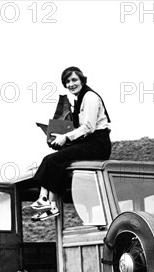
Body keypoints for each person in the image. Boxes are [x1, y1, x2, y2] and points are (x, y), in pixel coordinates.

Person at [31, 66, 112, 221]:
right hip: (89, 142)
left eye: (74, 80)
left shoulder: (90, 97)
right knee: (53, 158)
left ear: (82, 80)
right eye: (67, 81)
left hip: (98, 144)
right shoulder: (79, 99)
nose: (71, 84)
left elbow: (89, 126)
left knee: (54, 159)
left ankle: (47, 202)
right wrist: (60, 137)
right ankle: (47, 202)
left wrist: (66, 138)